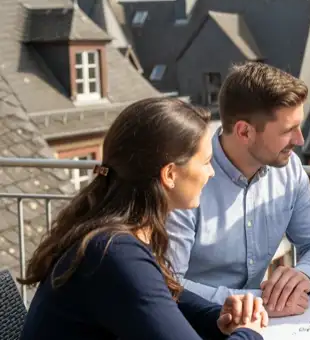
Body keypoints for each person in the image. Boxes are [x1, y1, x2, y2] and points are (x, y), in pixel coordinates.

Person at [19, 97, 267, 340]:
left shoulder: (112, 239)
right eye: (206, 162)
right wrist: (250, 333)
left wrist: (219, 317)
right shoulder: (114, 253)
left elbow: (163, 297)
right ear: (170, 174)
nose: (211, 173)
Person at [167, 61, 310, 318]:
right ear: (244, 131)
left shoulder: (290, 169)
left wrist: (304, 275)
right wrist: (253, 304)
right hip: (194, 325)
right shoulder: (187, 177)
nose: (300, 140)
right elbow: (169, 283)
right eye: (288, 130)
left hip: (257, 324)